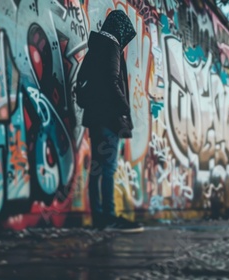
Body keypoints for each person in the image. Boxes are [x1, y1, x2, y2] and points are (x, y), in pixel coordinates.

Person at [77, 10, 144, 233]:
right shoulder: (111, 47)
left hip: (95, 119)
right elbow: (112, 80)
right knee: (108, 169)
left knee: (97, 168)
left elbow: (81, 81)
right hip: (108, 119)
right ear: (120, 29)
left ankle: (99, 218)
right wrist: (124, 107)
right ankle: (109, 217)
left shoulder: (95, 47)